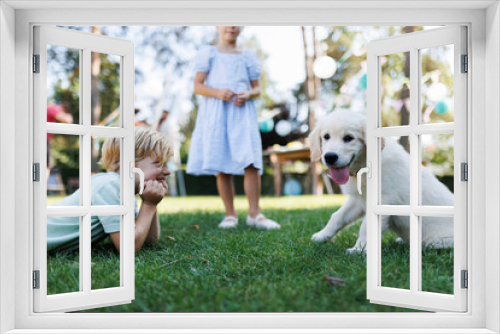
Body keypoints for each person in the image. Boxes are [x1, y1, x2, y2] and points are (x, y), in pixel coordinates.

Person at [186, 26, 280, 230]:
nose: (231, 26)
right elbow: (197, 86)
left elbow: (257, 88)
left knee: (251, 160)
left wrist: (249, 93)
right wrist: (218, 92)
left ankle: (254, 213)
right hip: (217, 114)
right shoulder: (208, 53)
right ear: (218, 26)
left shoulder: (248, 56)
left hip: (242, 113)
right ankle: (230, 214)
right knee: (222, 162)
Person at [47, 127, 172, 253]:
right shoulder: (110, 186)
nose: (168, 171)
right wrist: (149, 205)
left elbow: (149, 242)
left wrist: (151, 203)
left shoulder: (124, 193)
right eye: (159, 163)